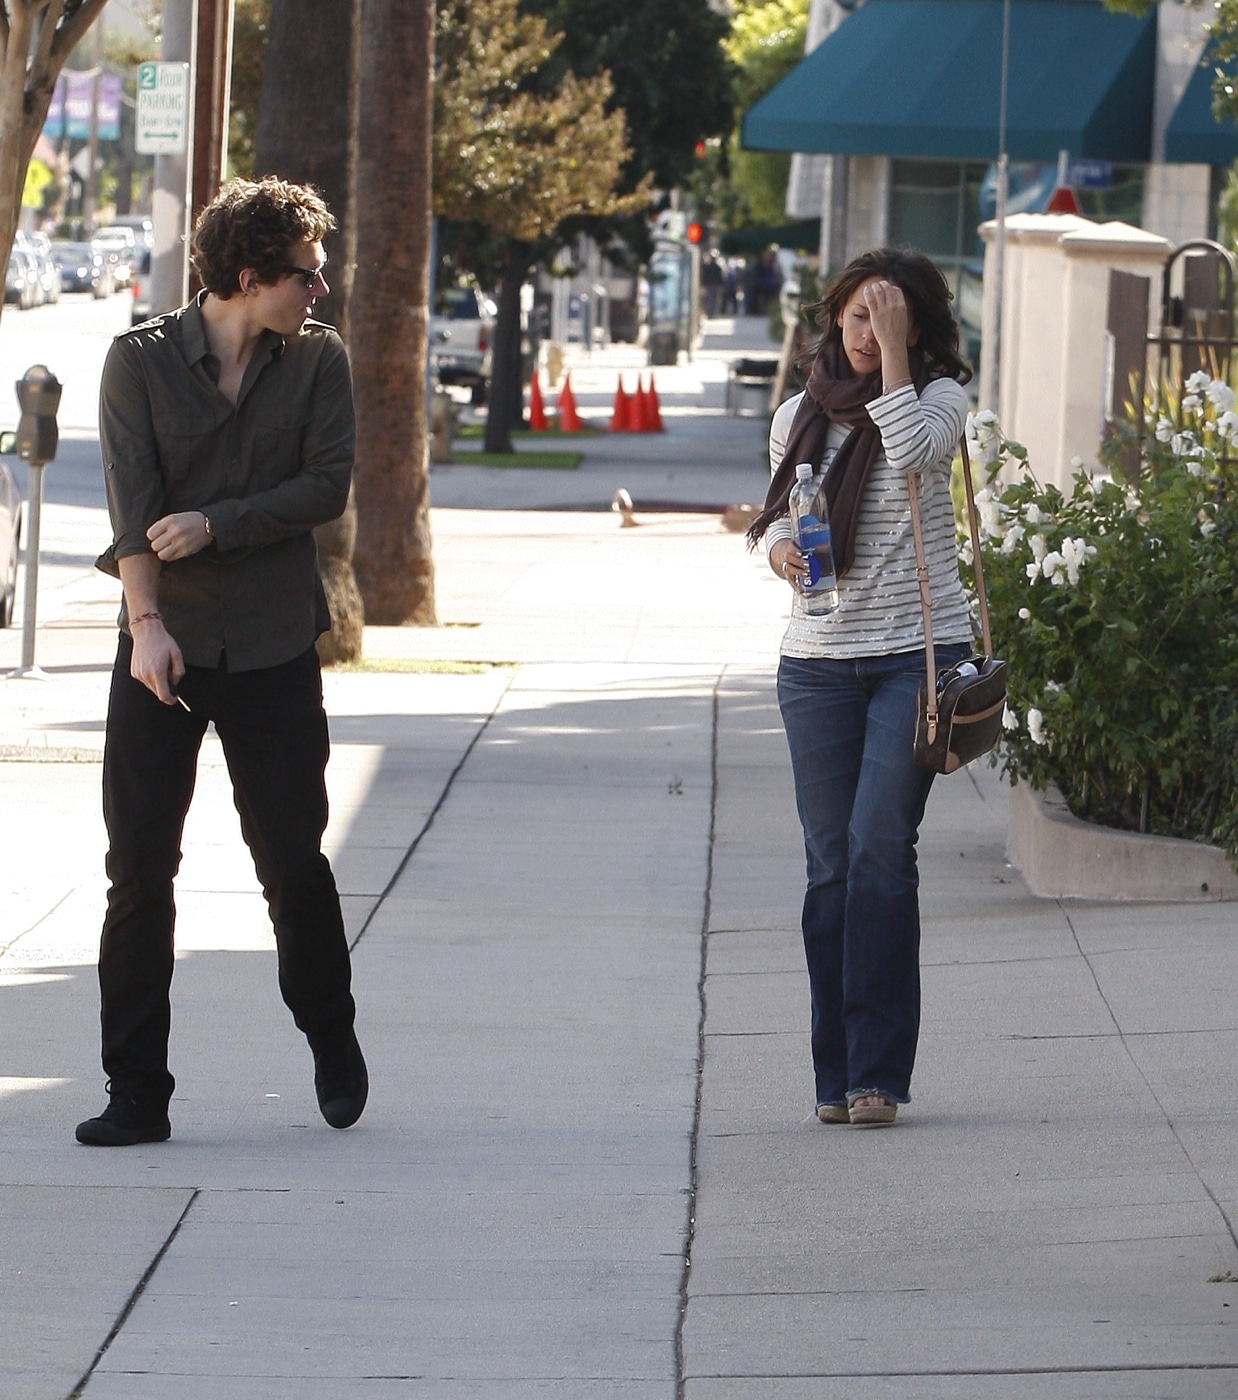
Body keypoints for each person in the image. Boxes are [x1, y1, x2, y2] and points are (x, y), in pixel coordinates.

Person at [76, 176, 367, 1146]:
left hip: (275, 643)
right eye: (305, 275)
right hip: (165, 641)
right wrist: (145, 625)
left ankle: (330, 1032)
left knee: (291, 860)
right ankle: (135, 1090)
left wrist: (218, 522)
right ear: (249, 277)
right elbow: (131, 508)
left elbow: (325, 486)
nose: (318, 289)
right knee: (138, 868)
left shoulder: (318, 360)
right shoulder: (138, 363)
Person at [747, 247, 974, 1128]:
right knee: (831, 864)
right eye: (858, 313)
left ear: (916, 327)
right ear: (834, 314)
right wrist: (780, 553)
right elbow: (774, 515)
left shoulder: (938, 401)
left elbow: (911, 452)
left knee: (881, 847)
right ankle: (833, 1073)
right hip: (816, 664)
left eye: (888, 316)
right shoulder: (799, 413)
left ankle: (878, 1072)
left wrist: (898, 357)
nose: (869, 330)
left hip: (916, 658)